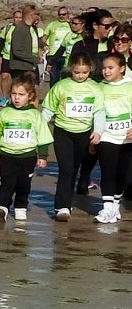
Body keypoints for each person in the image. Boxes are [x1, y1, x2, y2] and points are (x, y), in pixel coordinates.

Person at [0, 77, 53, 223]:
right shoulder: (5, 113)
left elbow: (43, 137)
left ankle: (20, 206)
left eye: (21, 94)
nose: (17, 98)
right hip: (7, 155)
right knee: (7, 182)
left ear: (30, 96)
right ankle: (2, 206)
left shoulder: (35, 115)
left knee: (24, 184)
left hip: (27, 157)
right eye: (14, 94)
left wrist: (43, 156)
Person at [45, 51, 100, 221]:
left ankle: (68, 200)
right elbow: (48, 110)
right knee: (66, 170)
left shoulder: (95, 88)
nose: (81, 76)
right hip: (63, 132)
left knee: (74, 169)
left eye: (84, 72)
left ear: (90, 70)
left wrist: (97, 131)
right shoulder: (61, 86)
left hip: (84, 134)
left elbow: (99, 112)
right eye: (77, 72)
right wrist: (40, 129)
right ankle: (62, 206)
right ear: (71, 69)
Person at [89, 52, 132, 226]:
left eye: (110, 68)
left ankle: (115, 204)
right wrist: (94, 134)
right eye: (104, 68)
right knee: (107, 171)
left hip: (127, 137)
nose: (106, 71)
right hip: (106, 135)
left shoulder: (130, 86)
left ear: (122, 68)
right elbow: (94, 112)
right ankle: (107, 208)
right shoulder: (99, 87)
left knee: (122, 173)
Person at [5, 6, 42, 84]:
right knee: (22, 91)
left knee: (35, 90)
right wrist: (35, 59)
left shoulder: (32, 28)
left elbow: (33, 40)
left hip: (31, 66)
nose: (38, 17)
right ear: (31, 15)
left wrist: (43, 45)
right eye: (37, 14)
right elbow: (17, 51)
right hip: (21, 68)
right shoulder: (20, 29)